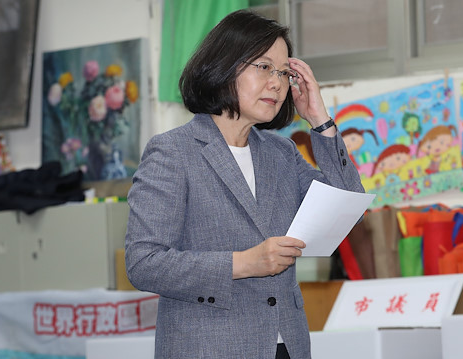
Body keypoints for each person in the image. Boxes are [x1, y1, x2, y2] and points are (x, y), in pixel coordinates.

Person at [124, 9, 364, 359]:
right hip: (210, 347)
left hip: (287, 345)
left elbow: (348, 210)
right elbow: (144, 262)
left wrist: (320, 121)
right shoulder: (173, 152)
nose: (278, 83)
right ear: (224, 65)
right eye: (264, 67)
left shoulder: (281, 152)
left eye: (284, 73)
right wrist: (245, 263)